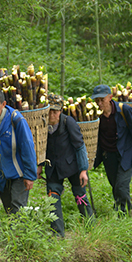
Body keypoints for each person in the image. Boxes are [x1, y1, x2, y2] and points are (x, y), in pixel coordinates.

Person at [37, 94, 93, 237]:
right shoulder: (41, 124)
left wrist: (83, 170)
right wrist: (39, 166)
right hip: (53, 167)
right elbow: (39, 147)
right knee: (52, 198)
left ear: (61, 111)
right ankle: (57, 234)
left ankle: (91, 228)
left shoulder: (69, 122)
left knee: (80, 196)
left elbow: (79, 146)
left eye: (55, 111)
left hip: (72, 166)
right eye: (49, 110)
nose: (52, 114)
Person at [91, 84, 132, 217]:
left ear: (110, 97)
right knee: (115, 185)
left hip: (125, 153)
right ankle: (120, 210)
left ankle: (126, 214)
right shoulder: (95, 116)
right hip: (108, 155)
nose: (99, 103)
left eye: (101, 99)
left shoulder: (124, 110)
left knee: (121, 186)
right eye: (96, 100)